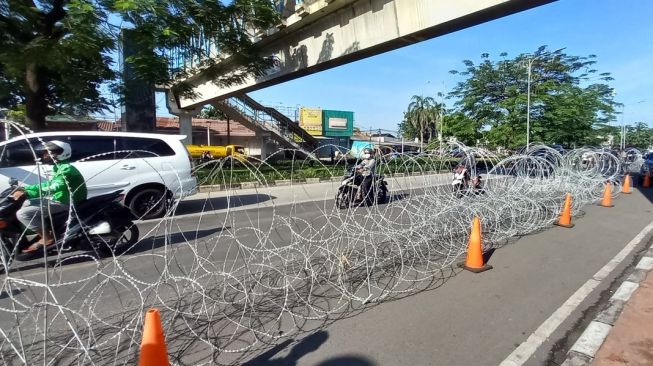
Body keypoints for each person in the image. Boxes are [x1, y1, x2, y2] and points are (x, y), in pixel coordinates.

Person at [11, 140, 87, 254]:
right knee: (26, 203)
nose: (45, 155)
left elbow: (55, 187)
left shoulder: (66, 169)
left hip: (67, 202)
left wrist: (28, 193)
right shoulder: (60, 167)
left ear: (60, 153)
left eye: (49, 152)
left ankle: (46, 237)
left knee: (23, 213)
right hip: (61, 199)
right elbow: (49, 184)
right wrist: (26, 189)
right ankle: (43, 230)